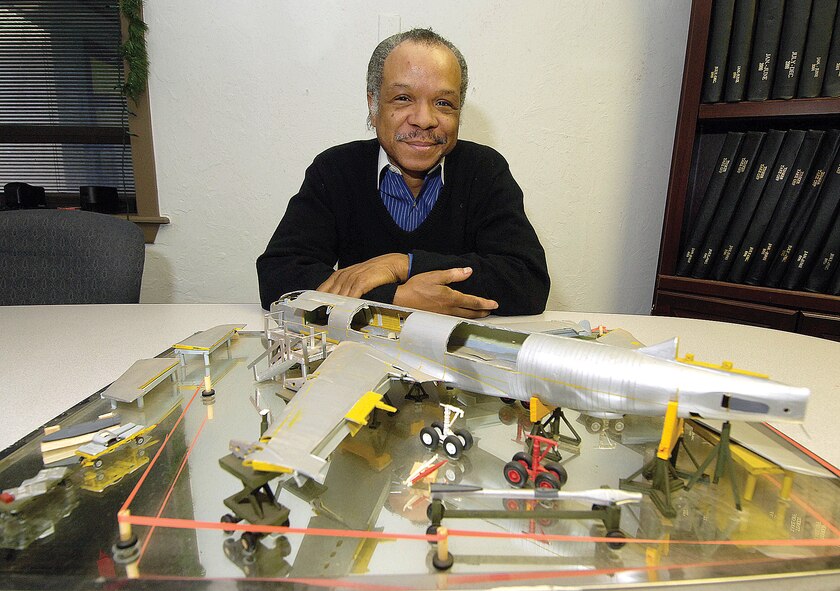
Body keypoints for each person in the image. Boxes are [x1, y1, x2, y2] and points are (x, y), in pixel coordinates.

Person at [257, 28, 549, 318]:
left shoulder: (484, 171)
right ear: (373, 104)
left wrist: (402, 264)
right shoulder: (335, 170)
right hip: (358, 353)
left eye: (443, 103)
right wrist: (395, 299)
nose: (424, 120)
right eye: (403, 98)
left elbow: (528, 282)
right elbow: (279, 276)